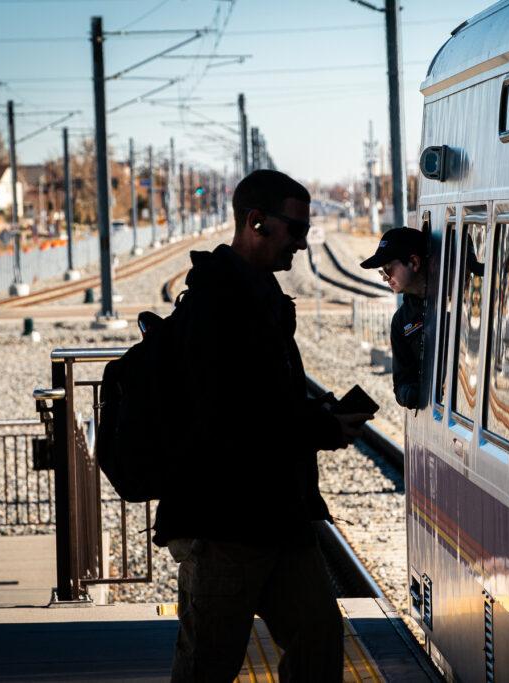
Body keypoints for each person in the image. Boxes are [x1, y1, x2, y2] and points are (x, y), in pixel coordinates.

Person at [156, 169, 371, 682]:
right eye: (295, 230)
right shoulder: (217, 306)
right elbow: (232, 418)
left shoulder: (257, 298)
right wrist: (320, 428)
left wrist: (320, 419)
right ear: (256, 222)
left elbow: (268, 402)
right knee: (209, 662)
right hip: (224, 520)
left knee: (318, 636)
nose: (302, 243)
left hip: (277, 514)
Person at [359, 227, 428, 409]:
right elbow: (401, 382)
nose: (385, 278)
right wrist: (409, 394)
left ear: (414, 262)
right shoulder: (401, 321)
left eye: (388, 268)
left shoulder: (456, 298)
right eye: (382, 272)